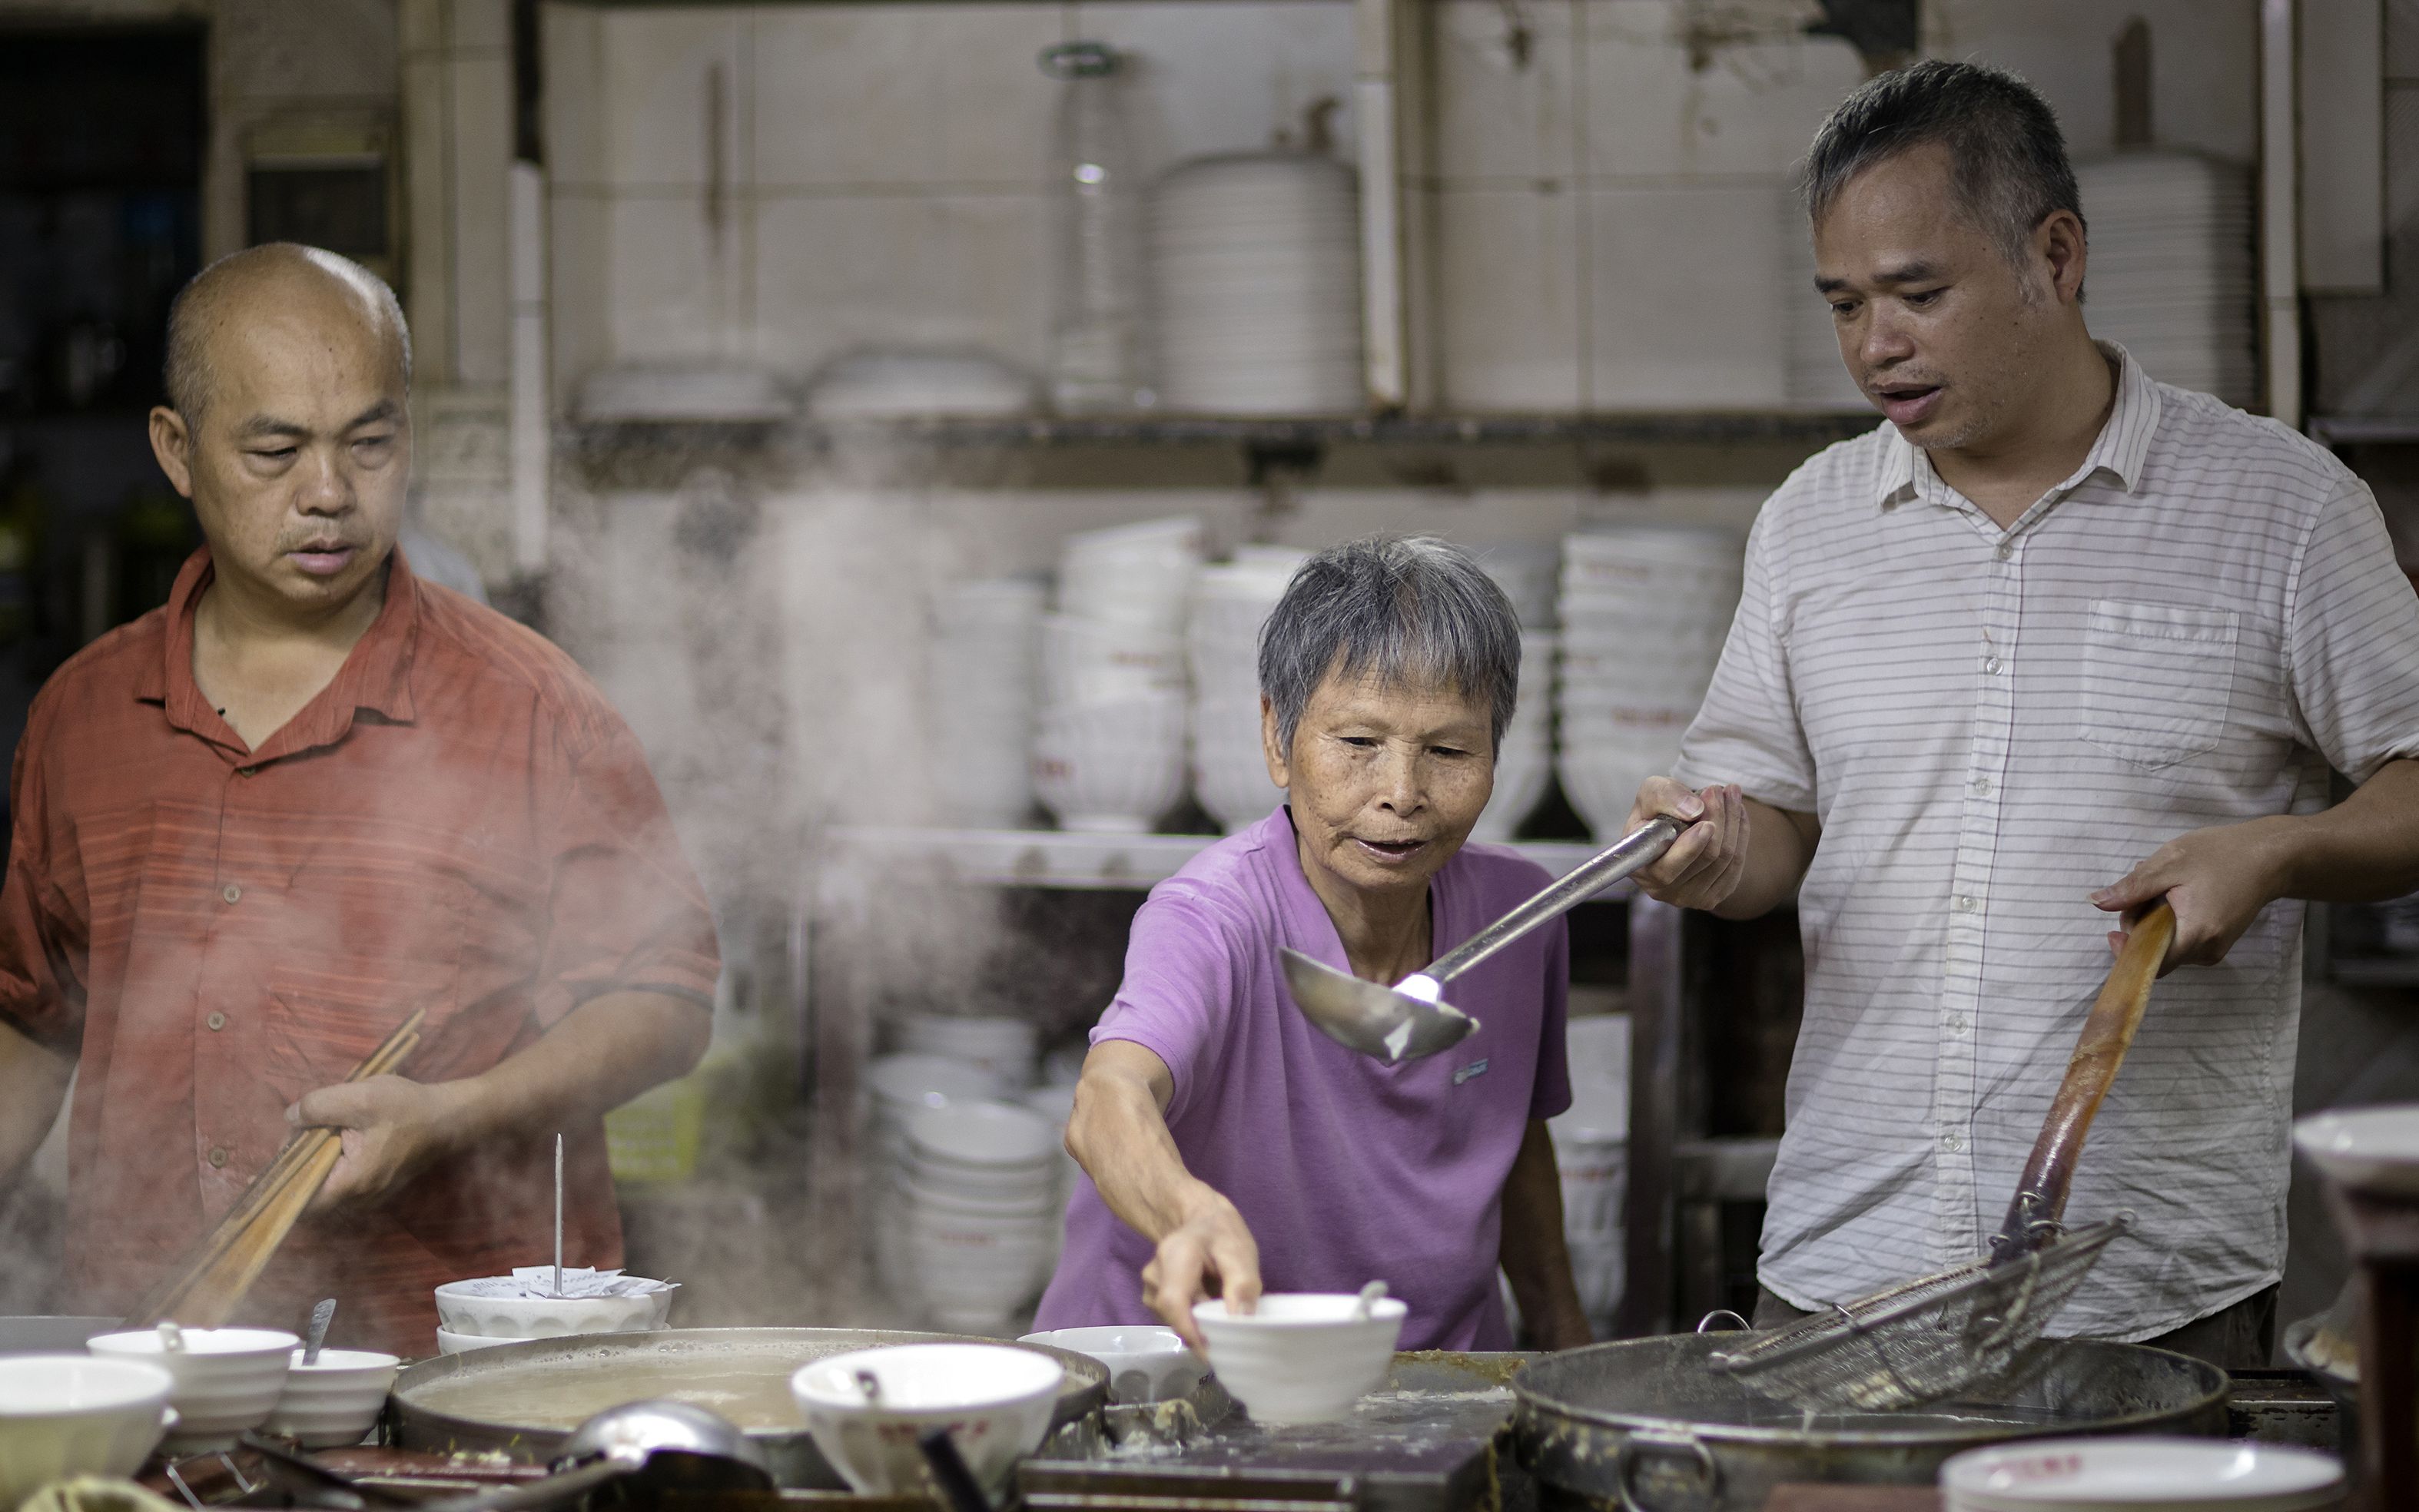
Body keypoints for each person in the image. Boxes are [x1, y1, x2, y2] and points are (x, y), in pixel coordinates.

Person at [1628, 61, 2419, 1368]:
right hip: (1843, 1265)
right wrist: (1711, 851)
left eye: (1916, 294)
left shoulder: (2277, 507)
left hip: (2140, 1279)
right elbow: (1764, 828)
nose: (1874, 343)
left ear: (2052, 256)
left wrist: (2275, 849)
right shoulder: (1810, 523)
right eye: (1843, 305)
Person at [0, 244, 719, 1355]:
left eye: (369, 445)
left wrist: (450, 1117)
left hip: (452, 1373)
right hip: (151, 1357)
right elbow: (35, 1023)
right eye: (276, 450)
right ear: (176, 451)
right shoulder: (84, 717)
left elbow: (664, 1000)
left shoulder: (528, 705)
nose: (328, 494)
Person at [1032, 536, 1590, 1353]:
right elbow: (1108, 1097)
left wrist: (1563, 1340)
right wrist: (1190, 1213)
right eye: (1357, 744)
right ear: (1274, 738)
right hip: (1181, 1379)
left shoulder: (1519, 916)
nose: (1401, 795)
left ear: (1496, 753)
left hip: (1431, 1386)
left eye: (1447, 751)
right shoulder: (1210, 918)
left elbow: (1511, 1135)